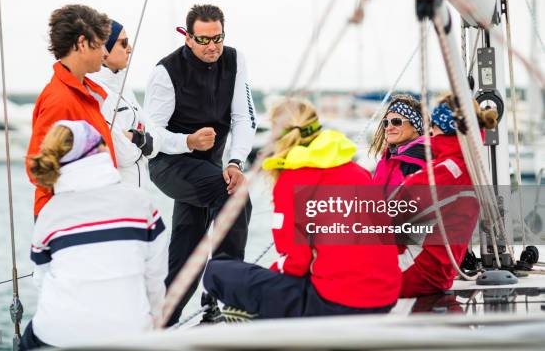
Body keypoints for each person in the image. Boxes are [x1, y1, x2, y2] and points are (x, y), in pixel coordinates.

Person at [202, 99, 401, 320]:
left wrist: (264, 285)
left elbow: (296, 264)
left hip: (337, 304)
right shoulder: (358, 171)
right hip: (385, 298)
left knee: (217, 272)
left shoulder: (292, 180)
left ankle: (254, 316)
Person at [144, 4, 257, 325]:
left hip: (210, 166)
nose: (212, 47)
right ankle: (229, 297)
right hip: (169, 165)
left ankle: (159, 324)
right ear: (188, 37)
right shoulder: (165, 72)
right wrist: (188, 142)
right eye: (204, 40)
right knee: (234, 196)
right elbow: (151, 134)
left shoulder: (235, 60)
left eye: (217, 38)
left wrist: (235, 161)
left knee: (186, 251)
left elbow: (243, 117)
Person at [20, 120, 167, 350]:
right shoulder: (140, 202)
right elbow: (155, 278)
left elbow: (41, 279)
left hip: (58, 336)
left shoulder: (49, 213)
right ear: (98, 150)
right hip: (129, 334)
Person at [394, 94, 498, 297]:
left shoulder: (447, 171)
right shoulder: (467, 166)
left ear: (444, 126)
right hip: (433, 272)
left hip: (412, 270)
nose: (430, 130)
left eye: (433, 123)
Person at [26, 4, 116, 217]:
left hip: (88, 209)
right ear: (82, 43)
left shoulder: (85, 93)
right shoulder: (59, 100)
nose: (105, 53)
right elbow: (37, 169)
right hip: (66, 217)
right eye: (101, 44)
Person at [89, 19, 159, 188]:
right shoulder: (96, 92)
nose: (130, 48)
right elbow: (122, 154)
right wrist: (143, 140)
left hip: (138, 196)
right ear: (105, 49)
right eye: (124, 43)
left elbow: (156, 142)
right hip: (118, 198)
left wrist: (136, 138)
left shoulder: (124, 87)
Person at [371, 95, 425, 196]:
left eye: (396, 122)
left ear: (415, 126)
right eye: (386, 123)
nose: (389, 128)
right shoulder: (388, 158)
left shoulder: (417, 164)